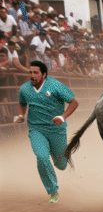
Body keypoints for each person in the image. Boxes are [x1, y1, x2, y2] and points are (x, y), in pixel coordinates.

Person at [15, 61, 79, 202]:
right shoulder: (24, 89)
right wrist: (20, 115)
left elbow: (74, 102)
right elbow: (21, 103)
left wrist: (62, 117)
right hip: (36, 130)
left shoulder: (55, 85)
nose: (32, 75)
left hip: (57, 130)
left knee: (61, 165)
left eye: (36, 72)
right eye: (30, 72)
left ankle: (53, 150)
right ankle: (53, 191)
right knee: (42, 157)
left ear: (44, 74)